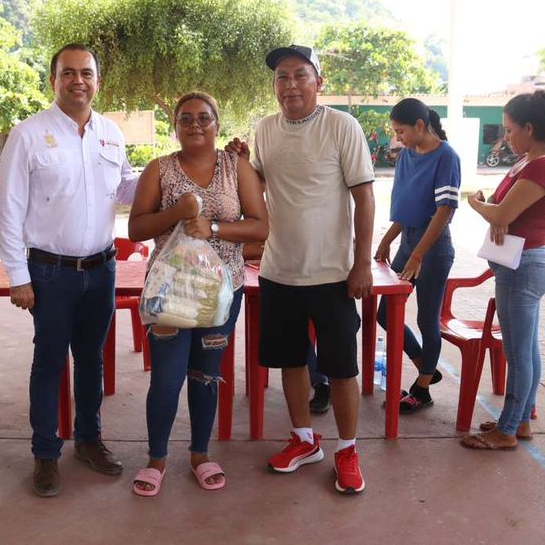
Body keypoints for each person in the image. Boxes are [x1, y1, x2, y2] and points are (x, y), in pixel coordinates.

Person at [227, 44, 374, 494]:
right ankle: (304, 440)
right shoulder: (266, 129)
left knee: (342, 368)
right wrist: (240, 160)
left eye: (299, 75)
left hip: (332, 273)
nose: (289, 84)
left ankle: (347, 450)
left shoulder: (342, 126)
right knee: (290, 362)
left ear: (318, 82)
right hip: (278, 270)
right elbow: (262, 184)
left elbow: (364, 196)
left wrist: (362, 261)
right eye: (281, 77)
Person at [0, 43, 136, 497]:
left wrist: (178, 170)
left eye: (87, 73)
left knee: (92, 360)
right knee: (50, 362)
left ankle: (89, 441)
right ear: (53, 80)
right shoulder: (28, 134)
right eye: (68, 73)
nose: (79, 80)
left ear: (98, 80)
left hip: (101, 269)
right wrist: (18, 276)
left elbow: (128, 188)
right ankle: (45, 454)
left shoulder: (111, 133)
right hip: (50, 274)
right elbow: (10, 209)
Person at [127, 92, 268, 496]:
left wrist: (216, 229)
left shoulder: (237, 168)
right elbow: (136, 229)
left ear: (217, 125)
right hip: (170, 294)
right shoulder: (159, 169)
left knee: (206, 375)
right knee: (167, 379)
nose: (195, 125)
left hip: (222, 295)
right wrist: (178, 212)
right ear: (174, 126)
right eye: (185, 118)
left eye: (204, 118)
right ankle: (156, 458)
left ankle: (200, 454)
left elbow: (261, 227)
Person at [462, 91, 545, 450]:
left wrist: (476, 203)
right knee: (527, 349)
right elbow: (503, 207)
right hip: (518, 262)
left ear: (529, 127)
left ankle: (507, 430)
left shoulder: (540, 165)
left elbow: (499, 213)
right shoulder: (526, 161)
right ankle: (520, 421)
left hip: (522, 265)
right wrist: (495, 209)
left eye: (510, 130)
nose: (506, 136)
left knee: (517, 353)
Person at [373, 98, 461, 413]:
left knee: (427, 319)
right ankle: (426, 364)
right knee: (385, 314)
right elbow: (407, 206)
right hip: (407, 241)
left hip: (433, 247)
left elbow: (444, 211)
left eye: (401, 131)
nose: (398, 138)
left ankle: (422, 390)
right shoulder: (408, 156)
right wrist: (387, 239)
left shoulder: (446, 156)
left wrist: (419, 255)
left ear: (420, 126)